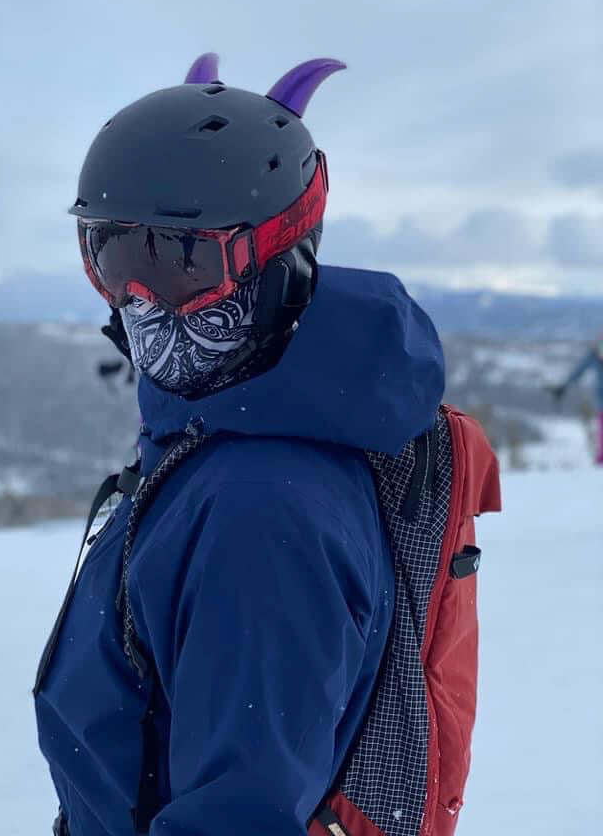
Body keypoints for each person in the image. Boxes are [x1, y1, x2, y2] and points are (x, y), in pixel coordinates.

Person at [33, 54, 445, 836]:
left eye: (185, 260)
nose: (141, 300)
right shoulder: (216, 438)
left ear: (282, 259)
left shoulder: (261, 515)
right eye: (112, 255)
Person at [550, 334, 603, 465]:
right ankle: (601, 460)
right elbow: (577, 372)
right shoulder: (593, 356)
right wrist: (563, 385)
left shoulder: (593, 356)